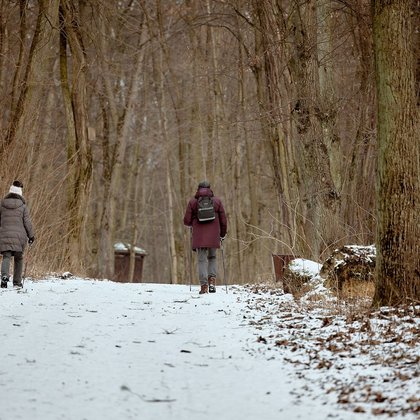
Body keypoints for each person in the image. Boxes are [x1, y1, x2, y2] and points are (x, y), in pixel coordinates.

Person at [183, 181, 227, 294]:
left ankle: (204, 286)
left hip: (199, 236)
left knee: (201, 260)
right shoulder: (217, 201)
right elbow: (223, 220)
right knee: (212, 257)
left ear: (198, 189)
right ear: (210, 189)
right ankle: (212, 281)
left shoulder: (193, 202)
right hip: (213, 236)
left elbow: (186, 221)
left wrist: (194, 222)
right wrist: (222, 234)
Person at [0, 180, 35, 288]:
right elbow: (27, 222)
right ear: (20, 193)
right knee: (18, 258)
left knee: (6, 256)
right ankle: (17, 282)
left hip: (4, 234)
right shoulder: (23, 206)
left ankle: (4, 277)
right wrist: (31, 236)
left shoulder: (2, 204)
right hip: (19, 237)